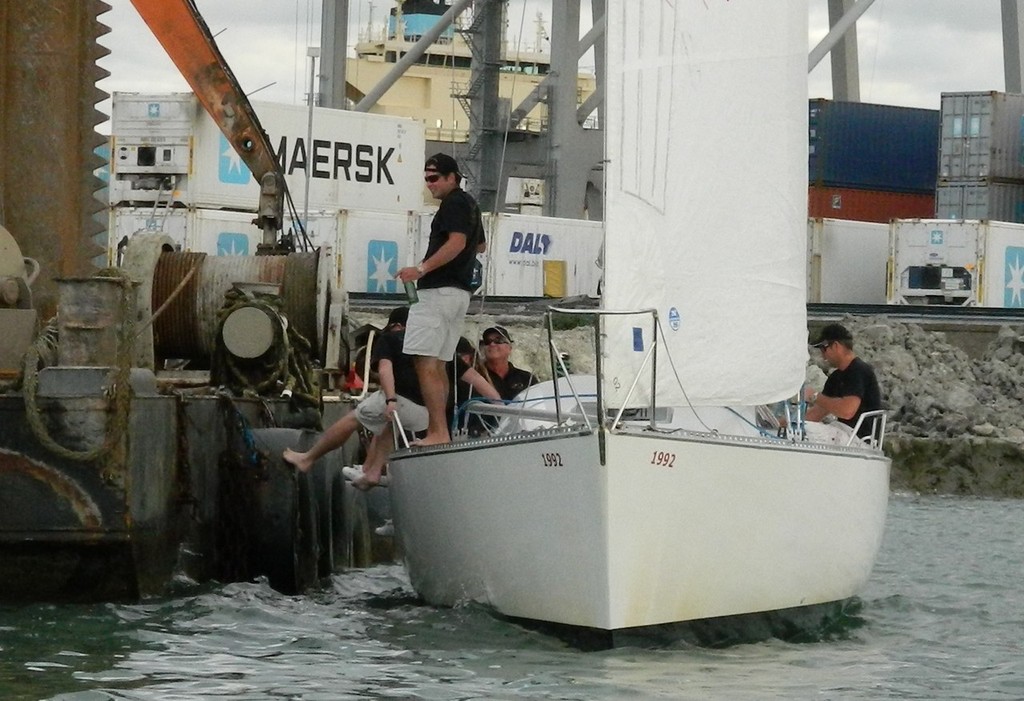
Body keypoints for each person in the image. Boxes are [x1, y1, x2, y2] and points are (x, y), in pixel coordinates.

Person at [282, 306, 426, 489]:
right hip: (424, 412)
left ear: (396, 325)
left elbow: (384, 369)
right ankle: (372, 471)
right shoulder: (423, 342)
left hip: (400, 398)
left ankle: (307, 458)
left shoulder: (389, 338)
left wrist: (391, 399)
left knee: (352, 419)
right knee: (387, 426)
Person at [396, 153, 486, 446]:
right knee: (441, 364)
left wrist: (420, 269)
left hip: (438, 290)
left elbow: (457, 242)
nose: (430, 184)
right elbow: (480, 244)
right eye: (427, 179)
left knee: (425, 362)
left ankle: (437, 431)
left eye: (434, 178)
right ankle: (442, 430)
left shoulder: (454, 203)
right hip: (459, 294)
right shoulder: (470, 205)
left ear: (452, 177)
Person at [805, 323, 883, 440]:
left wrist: (815, 396)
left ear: (836, 346)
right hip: (844, 434)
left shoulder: (859, 371)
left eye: (823, 349)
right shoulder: (835, 378)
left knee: (807, 432)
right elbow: (816, 413)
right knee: (803, 428)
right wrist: (784, 423)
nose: (823, 356)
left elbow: (847, 411)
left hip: (859, 438)